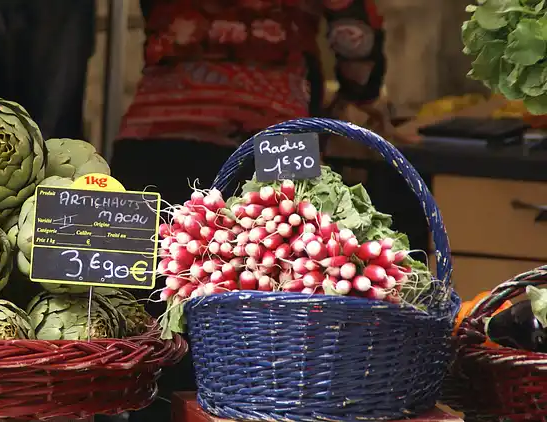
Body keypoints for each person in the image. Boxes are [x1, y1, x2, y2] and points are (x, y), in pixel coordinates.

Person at [107, 1, 389, 421]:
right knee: (274, 303)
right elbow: (358, 58)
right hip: (276, 135)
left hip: (158, 134)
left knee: (149, 320)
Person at [111, 0, 389, 208]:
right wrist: (359, 95)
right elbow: (356, 36)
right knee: (277, 268)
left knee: (145, 271)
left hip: (155, 133)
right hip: (278, 137)